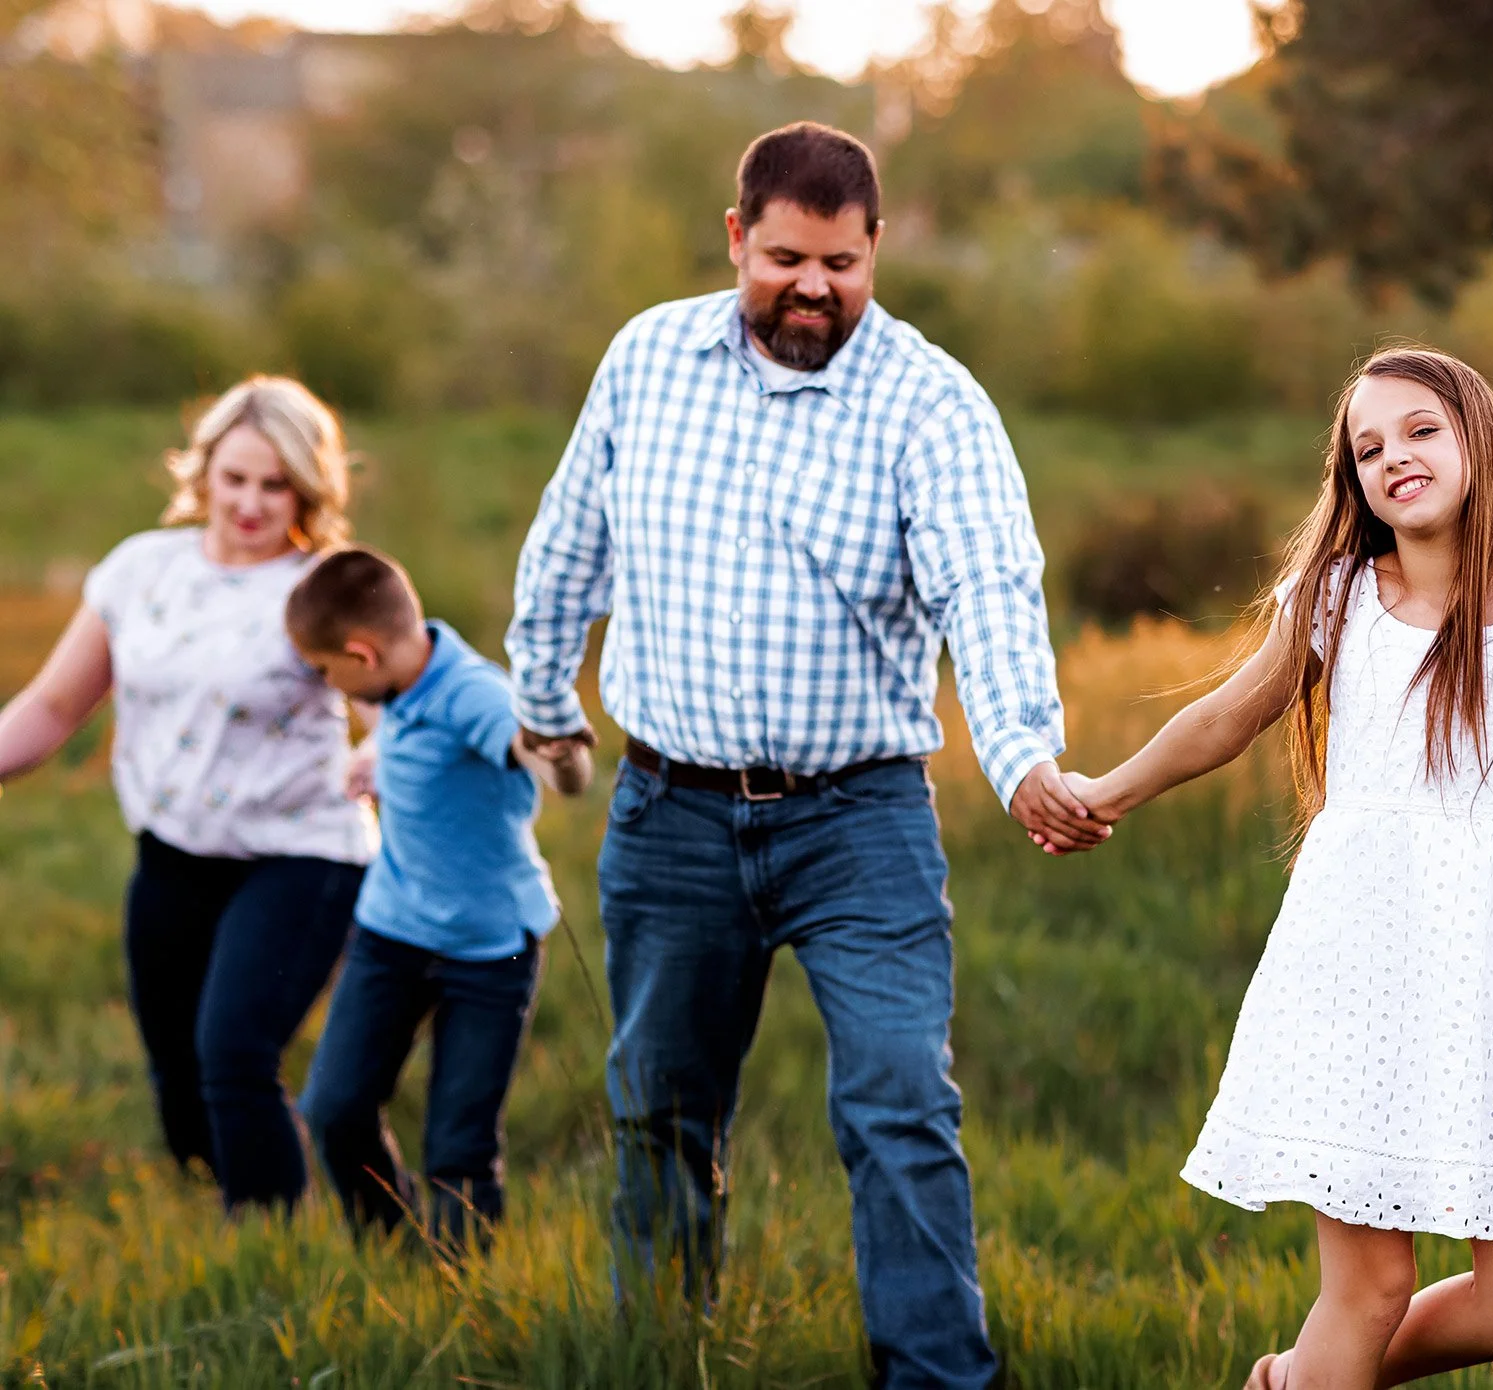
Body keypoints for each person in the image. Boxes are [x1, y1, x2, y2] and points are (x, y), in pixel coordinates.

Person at [505, 121, 1103, 1387]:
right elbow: (571, 539)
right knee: (661, 1105)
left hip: (858, 818)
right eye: (785, 258)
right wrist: (542, 691)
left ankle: (937, 1378)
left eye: (841, 261)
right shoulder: (646, 359)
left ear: (876, 248)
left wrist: (1023, 760)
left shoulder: (930, 403)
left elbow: (987, 593)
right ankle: (659, 1352)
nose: (813, 288)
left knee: (899, 1104)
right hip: (669, 811)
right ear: (736, 238)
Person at [1060, 347, 1493, 1389]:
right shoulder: (1338, 596)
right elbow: (1227, 713)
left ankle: (1297, 1382)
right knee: (1367, 1288)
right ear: (1349, 480)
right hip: (1355, 971)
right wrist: (1106, 792)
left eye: (1418, 431)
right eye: (1366, 447)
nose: (1392, 456)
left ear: (1477, 440)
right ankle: (1318, 1374)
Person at [0, 375, 376, 1212]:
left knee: (234, 1055)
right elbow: (56, 705)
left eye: (274, 484)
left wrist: (388, 749)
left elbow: (401, 701)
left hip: (300, 856)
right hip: (172, 855)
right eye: (233, 477)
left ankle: (272, 1253)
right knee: (178, 1077)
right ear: (201, 472)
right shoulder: (142, 570)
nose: (249, 502)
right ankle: (231, 1209)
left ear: (307, 488)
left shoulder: (324, 588)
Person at [286, 545, 590, 1252]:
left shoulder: (472, 694)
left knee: (459, 1144)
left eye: (326, 673)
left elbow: (523, 744)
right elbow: (400, 723)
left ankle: (459, 1289)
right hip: (390, 933)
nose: (327, 686)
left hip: (490, 952)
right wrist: (376, 756)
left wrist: (556, 747)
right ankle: (392, 1247)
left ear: (361, 655)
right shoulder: (397, 681)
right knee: (334, 1109)